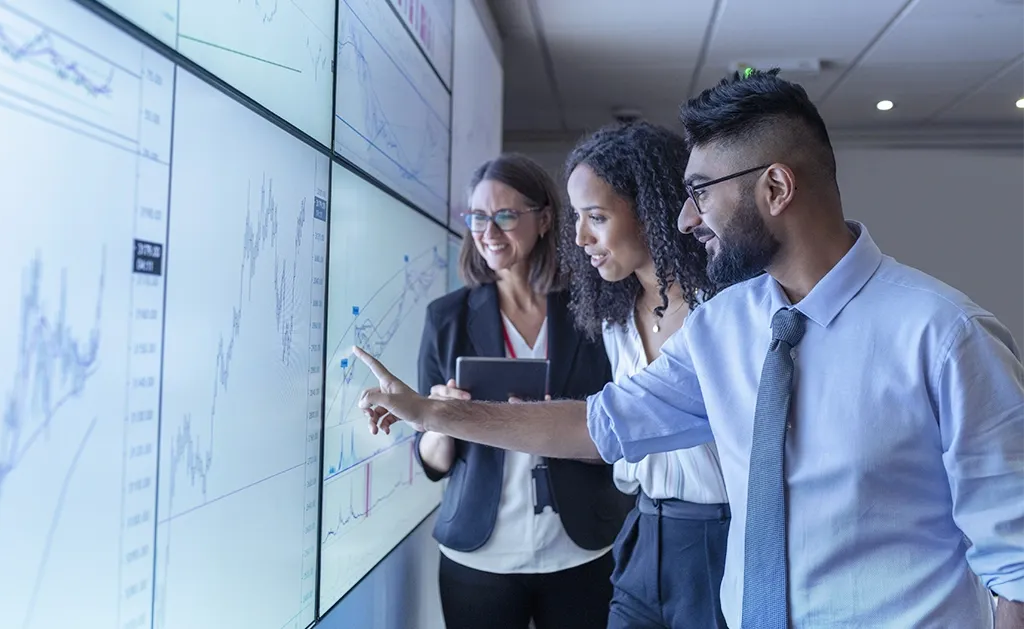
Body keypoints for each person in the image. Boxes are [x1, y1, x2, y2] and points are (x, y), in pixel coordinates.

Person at [353, 68, 1024, 629]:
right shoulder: (724, 326)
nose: (683, 218)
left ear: (776, 187)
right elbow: (601, 422)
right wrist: (433, 413)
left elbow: (1016, 562)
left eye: (701, 191)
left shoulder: (944, 335)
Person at [413, 153, 628, 629]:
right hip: (480, 556)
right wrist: (443, 418)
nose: (488, 231)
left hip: (579, 548)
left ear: (545, 219)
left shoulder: (590, 312)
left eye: (506, 216)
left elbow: (619, 432)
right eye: (477, 217)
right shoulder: (445, 319)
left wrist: (563, 425)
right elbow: (430, 462)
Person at [560, 121, 730, 628]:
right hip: (643, 530)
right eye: (576, 217)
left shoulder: (722, 309)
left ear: (651, 209)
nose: (580, 237)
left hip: (720, 537)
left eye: (596, 216)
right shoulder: (617, 317)